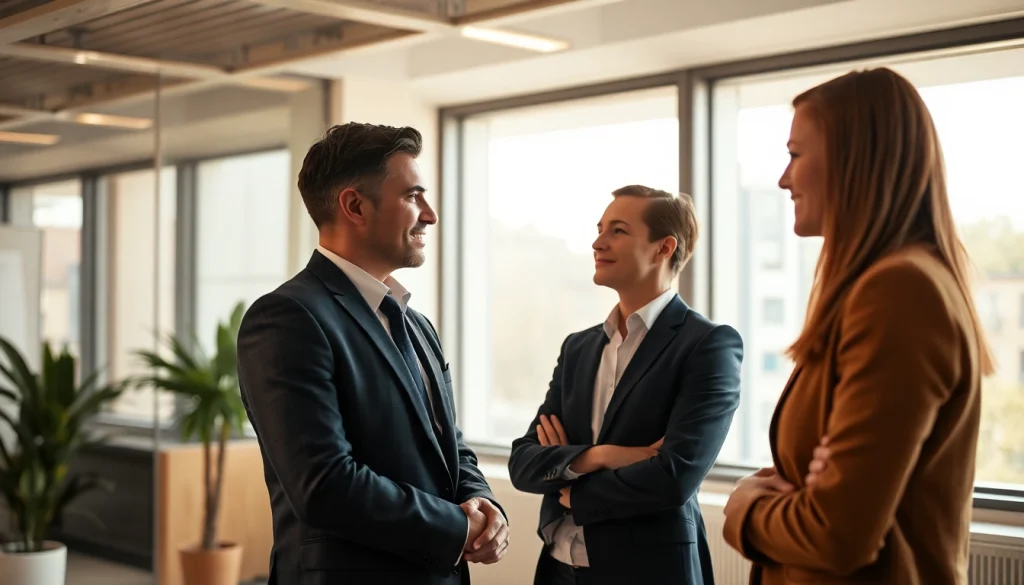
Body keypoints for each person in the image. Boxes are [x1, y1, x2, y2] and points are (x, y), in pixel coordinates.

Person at [722, 67, 993, 585]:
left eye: (796, 155)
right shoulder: (886, 284)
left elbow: (836, 532)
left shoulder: (900, 291)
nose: (783, 178)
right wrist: (808, 492)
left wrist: (744, 512)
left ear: (853, 159)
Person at [237, 123, 509, 585]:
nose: (430, 215)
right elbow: (324, 484)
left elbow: (447, 442)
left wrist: (484, 503)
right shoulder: (288, 317)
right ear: (355, 206)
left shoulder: (415, 323)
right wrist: (457, 527)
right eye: (413, 197)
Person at [508, 185, 743, 585]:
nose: (598, 242)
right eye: (600, 229)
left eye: (618, 231)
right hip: (558, 569)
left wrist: (574, 491)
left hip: (650, 571)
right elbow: (524, 462)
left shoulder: (708, 344)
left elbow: (675, 476)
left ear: (663, 248)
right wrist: (600, 457)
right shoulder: (579, 347)